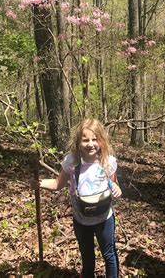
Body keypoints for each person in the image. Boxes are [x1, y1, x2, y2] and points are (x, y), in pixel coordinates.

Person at [34, 118, 122, 278]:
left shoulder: (107, 161)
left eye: (95, 139)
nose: (91, 144)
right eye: (85, 140)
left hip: (104, 219)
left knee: (109, 254)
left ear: (101, 141)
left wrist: (116, 188)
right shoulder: (72, 162)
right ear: (78, 142)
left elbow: (113, 183)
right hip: (81, 221)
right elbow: (56, 184)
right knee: (87, 257)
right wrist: (39, 183)